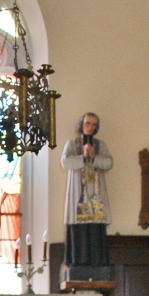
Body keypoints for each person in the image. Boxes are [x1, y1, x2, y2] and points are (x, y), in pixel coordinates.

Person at [61, 112, 113, 272]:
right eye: (87, 123)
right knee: (79, 225)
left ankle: (97, 262)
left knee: (95, 226)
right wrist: (83, 157)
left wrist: (94, 157)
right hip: (78, 192)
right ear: (81, 124)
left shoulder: (100, 145)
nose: (90, 127)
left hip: (95, 192)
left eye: (93, 124)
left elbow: (109, 162)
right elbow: (65, 162)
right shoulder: (72, 143)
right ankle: (78, 261)